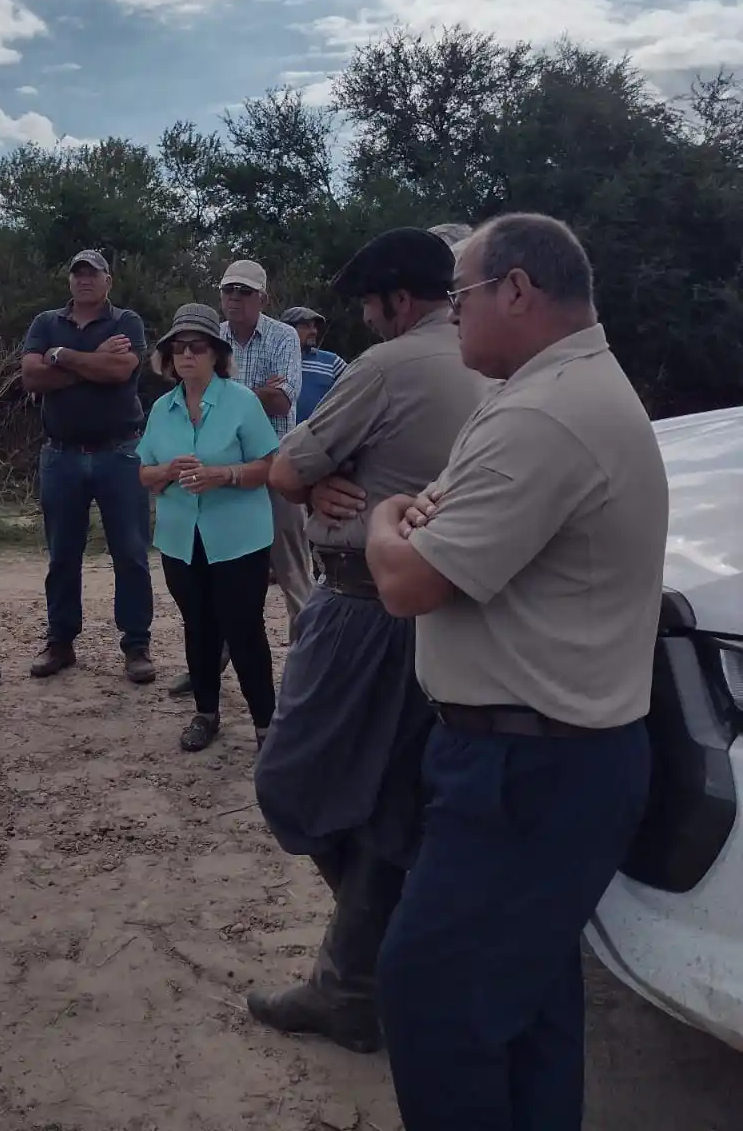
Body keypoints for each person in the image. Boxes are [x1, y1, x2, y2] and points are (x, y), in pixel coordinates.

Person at [367, 214, 668, 1131]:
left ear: (518, 292)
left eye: (458, 296)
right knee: (527, 1006)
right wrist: (417, 518)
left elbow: (409, 577)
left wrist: (381, 516)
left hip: (526, 775)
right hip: (548, 761)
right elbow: (444, 515)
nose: (448, 315)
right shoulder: (544, 390)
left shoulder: (544, 413)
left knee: (433, 1007)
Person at [250, 228, 489, 1054]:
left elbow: (285, 469)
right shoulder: (492, 362)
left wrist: (315, 477)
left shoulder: (385, 368)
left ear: (397, 299)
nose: (366, 318)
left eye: (368, 303)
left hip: (361, 605)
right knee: (391, 802)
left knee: (290, 781)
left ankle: (368, 971)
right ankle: (356, 980)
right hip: (450, 610)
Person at [138, 304, 279, 752]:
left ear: (216, 354)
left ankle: (266, 726)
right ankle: (206, 713)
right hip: (182, 539)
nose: (186, 356)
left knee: (243, 628)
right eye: (177, 348)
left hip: (240, 538)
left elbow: (269, 466)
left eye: (197, 347)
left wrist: (225, 475)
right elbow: (143, 473)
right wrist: (165, 471)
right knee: (196, 625)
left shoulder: (243, 401)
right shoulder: (162, 408)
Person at [20, 250, 156, 683]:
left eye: (92, 274)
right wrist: (89, 360)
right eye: (77, 273)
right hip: (61, 453)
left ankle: (136, 645)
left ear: (108, 281)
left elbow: (121, 370)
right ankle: (60, 641)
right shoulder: (45, 323)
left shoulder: (126, 322)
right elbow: (32, 378)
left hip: (120, 452)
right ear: (69, 281)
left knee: (131, 553)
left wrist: (61, 355)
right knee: (62, 554)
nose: (84, 281)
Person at [282, 306, 346, 423]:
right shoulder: (276, 360)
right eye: (306, 326)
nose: (314, 331)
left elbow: (354, 389)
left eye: (314, 327)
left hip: (319, 436)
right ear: (288, 329)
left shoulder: (332, 362)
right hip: (280, 435)